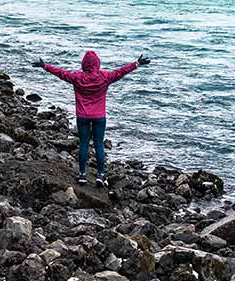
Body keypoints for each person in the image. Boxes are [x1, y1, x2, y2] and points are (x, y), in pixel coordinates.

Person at [33, 51, 151, 186]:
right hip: (99, 116)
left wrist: (45, 66)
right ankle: (101, 175)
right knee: (99, 144)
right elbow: (121, 72)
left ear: (84, 64)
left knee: (83, 144)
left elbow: (61, 73)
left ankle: (82, 175)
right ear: (97, 64)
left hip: (82, 116)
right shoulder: (105, 77)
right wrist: (137, 64)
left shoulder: (77, 77)